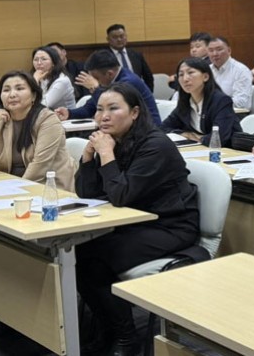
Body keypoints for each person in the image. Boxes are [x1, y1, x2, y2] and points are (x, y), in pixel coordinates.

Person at [75, 84, 199, 355]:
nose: (103, 116)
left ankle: (126, 337)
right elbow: (88, 195)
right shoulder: (115, 141)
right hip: (135, 221)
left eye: (113, 108)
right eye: (99, 109)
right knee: (80, 252)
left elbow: (120, 195)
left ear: (134, 113)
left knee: (96, 255)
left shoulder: (155, 145)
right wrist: (88, 157)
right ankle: (111, 329)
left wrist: (106, 154)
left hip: (170, 225)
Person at [0, 71, 75, 190]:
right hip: (11, 185)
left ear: (33, 95)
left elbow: (40, 166)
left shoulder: (48, 120)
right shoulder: (0, 119)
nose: (12, 95)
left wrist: (12, 190)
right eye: (6, 90)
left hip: (48, 187)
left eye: (19, 88)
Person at [54, 50, 162, 125]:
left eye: (96, 78)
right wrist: (69, 113)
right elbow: (90, 108)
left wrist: (96, 89)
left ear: (109, 74)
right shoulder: (108, 83)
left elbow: (109, 110)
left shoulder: (128, 82)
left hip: (147, 130)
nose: (94, 81)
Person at [161, 57, 241, 147]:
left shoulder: (221, 101)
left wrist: (199, 138)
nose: (185, 79)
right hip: (201, 149)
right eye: (181, 74)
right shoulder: (186, 101)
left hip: (229, 150)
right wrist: (186, 134)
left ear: (205, 77)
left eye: (190, 72)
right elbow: (162, 128)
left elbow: (218, 138)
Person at [103, 23, 154, 91]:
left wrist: (147, 93)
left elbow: (148, 77)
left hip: (137, 93)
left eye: (122, 36)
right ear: (108, 39)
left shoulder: (136, 55)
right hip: (115, 93)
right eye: (115, 37)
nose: (119, 39)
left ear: (126, 37)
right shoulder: (104, 57)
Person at [208, 36, 253, 110]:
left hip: (233, 113)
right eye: (211, 50)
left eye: (219, 49)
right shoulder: (207, 70)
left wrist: (215, 104)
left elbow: (242, 103)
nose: (215, 54)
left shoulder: (241, 70)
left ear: (229, 51)